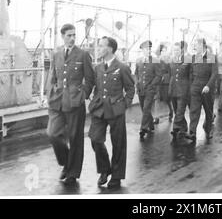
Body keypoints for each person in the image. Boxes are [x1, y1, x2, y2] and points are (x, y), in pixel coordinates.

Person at [46, 23, 95, 185]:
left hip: (75, 101)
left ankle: (73, 172)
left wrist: (83, 95)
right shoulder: (56, 54)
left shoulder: (83, 55)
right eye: (69, 35)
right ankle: (66, 162)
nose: (72, 38)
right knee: (53, 133)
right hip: (57, 100)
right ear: (62, 36)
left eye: (74, 35)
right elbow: (52, 76)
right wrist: (49, 94)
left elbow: (90, 79)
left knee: (75, 138)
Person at [88, 37, 135, 189]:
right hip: (99, 108)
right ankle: (104, 169)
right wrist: (94, 100)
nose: (98, 49)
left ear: (109, 49)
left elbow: (130, 89)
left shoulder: (122, 67)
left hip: (116, 109)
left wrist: (124, 105)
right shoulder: (98, 68)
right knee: (95, 139)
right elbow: (96, 87)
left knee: (118, 143)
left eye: (101, 46)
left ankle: (116, 176)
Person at [186, 38, 218, 143]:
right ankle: (192, 132)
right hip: (195, 87)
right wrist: (191, 86)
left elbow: (214, 74)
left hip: (207, 88)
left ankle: (209, 130)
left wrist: (208, 86)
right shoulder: (194, 57)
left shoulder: (211, 57)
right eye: (195, 45)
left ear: (203, 45)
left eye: (197, 45)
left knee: (208, 111)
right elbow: (190, 73)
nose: (195, 47)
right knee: (194, 110)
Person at [135, 40, 161, 139]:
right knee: (144, 109)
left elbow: (158, 75)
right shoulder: (138, 60)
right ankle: (151, 125)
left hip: (150, 89)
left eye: (150, 48)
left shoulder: (155, 61)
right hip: (141, 89)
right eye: (146, 49)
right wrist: (137, 82)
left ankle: (143, 128)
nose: (148, 50)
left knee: (146, 108)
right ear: (142, 50)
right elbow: (136, 73)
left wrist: (152, 85)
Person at [168, 41, 192, 141]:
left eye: (178, 50)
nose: (176, 52)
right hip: (173, 88)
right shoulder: (172, 60)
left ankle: (175, 127)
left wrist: (189, 88)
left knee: (180, 110)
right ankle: (183, 127)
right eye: (174, 50)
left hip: (183, 88)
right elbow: (171, 74)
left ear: (181, 51)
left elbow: (190, 75)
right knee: (176, 108)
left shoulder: (187, 60)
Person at [157, 44, 174, 120]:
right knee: (158, 99)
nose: (164, 52)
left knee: (167, 99)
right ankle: (156, 116)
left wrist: (166, 77)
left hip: (166, 82)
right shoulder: (157, 59)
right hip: (158, 82)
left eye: (165, 50)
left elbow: (171, 71)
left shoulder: (169, 59)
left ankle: (171, 111)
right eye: (162, 50)